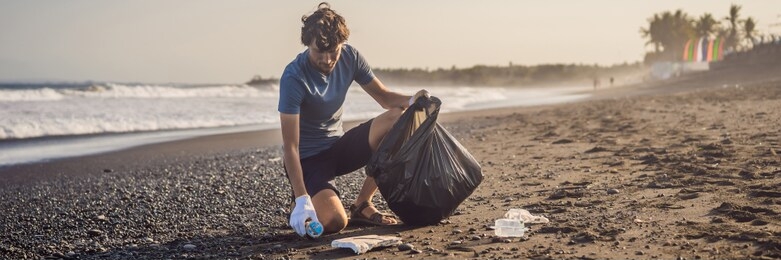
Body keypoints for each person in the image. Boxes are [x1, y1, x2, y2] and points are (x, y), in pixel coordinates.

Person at [277, 2, 429, 237]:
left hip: (339, 147)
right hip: (309, 160)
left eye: (334, 51)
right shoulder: (293, 77)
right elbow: (291, 147)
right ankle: (300, 207)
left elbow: (386, 98)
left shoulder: (350, 57)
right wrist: (301, 198)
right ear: (307, 44)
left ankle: (362, 204)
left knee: (398, 118)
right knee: (335, 222)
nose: (328, 60)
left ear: (342, 45)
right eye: (320, 52)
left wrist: (415, 99)